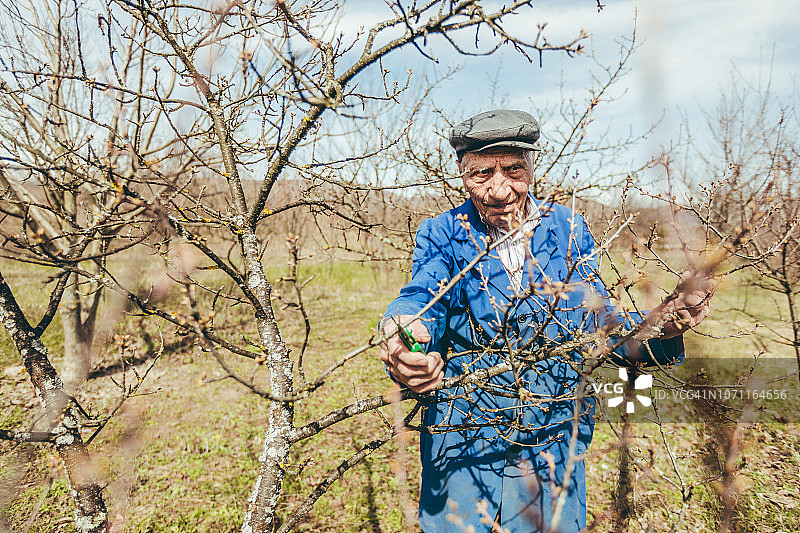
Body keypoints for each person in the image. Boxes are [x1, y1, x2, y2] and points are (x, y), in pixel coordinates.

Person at [380, 109, 713, 532]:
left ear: (532, 167)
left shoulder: (567, 227)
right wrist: (402, 338)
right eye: (482, 173)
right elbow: (422, 296)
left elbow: (597, 321)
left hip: (551, 433)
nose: (500, 189)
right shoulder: (443, 232)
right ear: (461, 173)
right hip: (463, 437)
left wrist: (661, 324)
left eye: (513, 170)